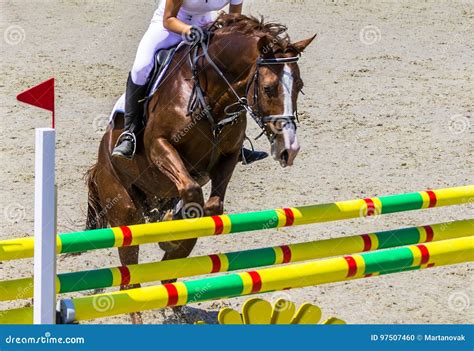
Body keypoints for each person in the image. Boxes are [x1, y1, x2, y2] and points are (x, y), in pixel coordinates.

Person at [112, 0, 268, 164]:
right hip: (169, 27)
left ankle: (236, 142)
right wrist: (188, 30)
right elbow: (168, 18)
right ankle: (130, 133)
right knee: (141, 68)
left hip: (205, 24)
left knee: (227, 68)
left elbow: (235, 19)